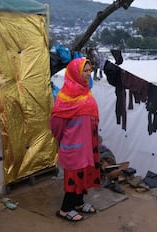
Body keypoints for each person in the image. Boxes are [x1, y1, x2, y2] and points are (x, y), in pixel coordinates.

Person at [50, 57, 101, 222]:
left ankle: (78, 203)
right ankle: (65, 209)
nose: (88, 74)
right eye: (85, 71)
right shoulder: (64, 97)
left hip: (88, 144)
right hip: (73, 145)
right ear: (75, 73)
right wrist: (65, 140)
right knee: (73, 176)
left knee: (84, 173)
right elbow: (56, 124)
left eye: (89, 70)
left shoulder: (86, 91)